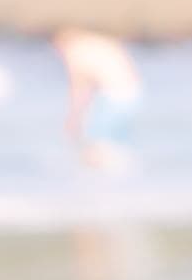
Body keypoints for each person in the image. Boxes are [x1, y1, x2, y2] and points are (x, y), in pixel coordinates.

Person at [54, 26, 142, 173]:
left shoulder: (75, 51)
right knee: (117, 140)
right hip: (134, 91)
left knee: (98, 139)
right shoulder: (98, 43)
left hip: (113, 94)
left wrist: (74, 118)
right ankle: (123, 173)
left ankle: (100, 178)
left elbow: (79, 88)